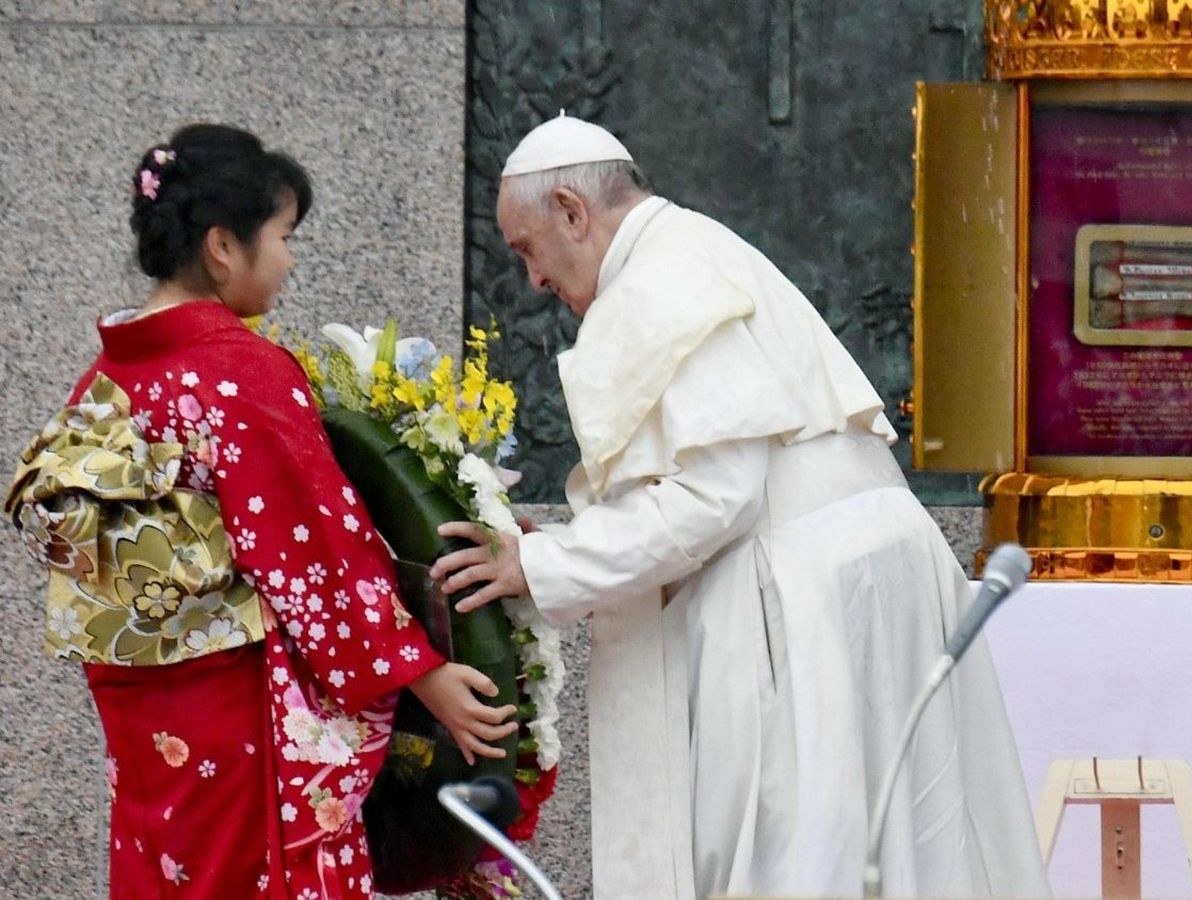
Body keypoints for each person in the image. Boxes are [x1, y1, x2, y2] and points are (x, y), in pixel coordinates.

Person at [430, 114, 1049, 899]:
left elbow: (709, 499)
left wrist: (541, 561)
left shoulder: (657, 280)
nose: (534, 281)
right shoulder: (692, 249)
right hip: (857, 578)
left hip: (806, 604)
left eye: (528, 249)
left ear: (572, 211)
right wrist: (566, 542)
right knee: (902, 859)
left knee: (797, 861)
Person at [6, 124, 516, 898]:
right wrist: (421, 672)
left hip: (147, 714)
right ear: (222, 246)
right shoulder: (240, 371)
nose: (289, 258)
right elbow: (313, 551)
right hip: (241, 710)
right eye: (283, 236)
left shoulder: (106, 379)